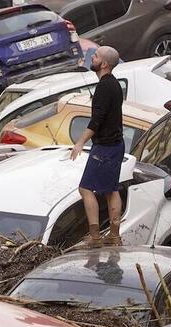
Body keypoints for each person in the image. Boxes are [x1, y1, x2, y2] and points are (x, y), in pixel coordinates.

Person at [71, 46, 124, 248]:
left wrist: (79, 143)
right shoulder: (115, 85)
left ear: (103, 64)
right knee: (111, 189)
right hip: (116, 144)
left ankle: (94, 238)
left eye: (95, 56)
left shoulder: (104, 87)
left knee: (85, 188)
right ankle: (114, 235)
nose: (91, 58)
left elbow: (96, 121)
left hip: (105, 146)